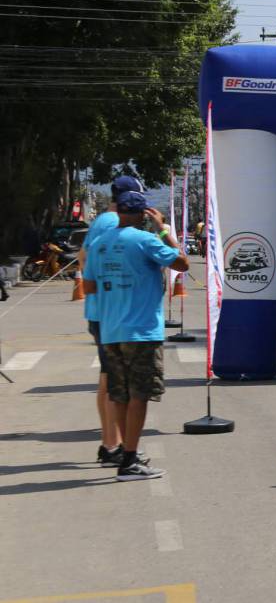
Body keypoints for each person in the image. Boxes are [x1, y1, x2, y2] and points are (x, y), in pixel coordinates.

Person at [84, 191, 189, 481]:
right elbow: (182, 263)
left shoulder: (99, 243)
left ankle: (124, 454)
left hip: (110, 329)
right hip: (141, 331)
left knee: (119, 394)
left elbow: (90, 286)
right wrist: (164, 231)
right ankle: (130, 460)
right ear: (144, 214)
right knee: (139, 395)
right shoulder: (145, 240)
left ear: (118, 212)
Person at [79, 176, 144, 467]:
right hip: (109, 314)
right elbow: (87, 262)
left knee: (108, 380)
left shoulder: (103, 221)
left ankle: (111, 443)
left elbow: (83, 258)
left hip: (103, 312)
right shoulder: (109, 223)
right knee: (114, 383)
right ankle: (112, 445)